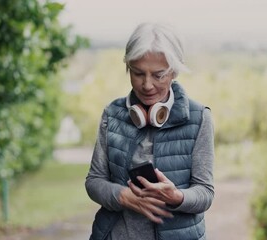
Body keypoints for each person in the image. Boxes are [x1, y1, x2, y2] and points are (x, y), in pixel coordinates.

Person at [85, 22, 215, 240]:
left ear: (174, 71)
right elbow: (94, 181)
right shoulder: (112, 113)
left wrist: (176, 196)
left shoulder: (199, 117)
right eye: (138, 73)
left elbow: (205, 193)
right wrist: (123, 196)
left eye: (158, 75)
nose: (147, 85)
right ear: (128, 68)